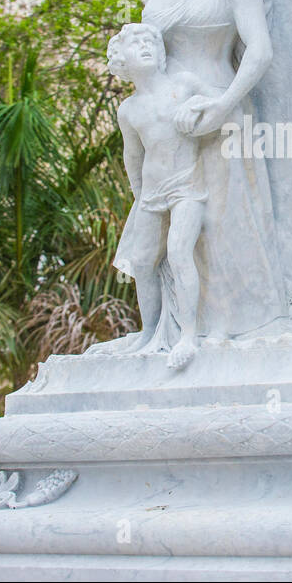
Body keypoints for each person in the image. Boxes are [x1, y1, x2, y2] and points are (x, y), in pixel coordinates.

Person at [131, 0, 286, 341]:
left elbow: (259, 50)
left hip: (219, 108)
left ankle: (230, 325)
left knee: (219, 221)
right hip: (165, 121)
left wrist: (222, 105)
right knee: (167, 231)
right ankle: (173, 329)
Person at [109, 22, 211, 369]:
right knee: (141, 262)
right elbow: (132, 155)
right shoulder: (128, 109)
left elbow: (223, 104)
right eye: (136, 43)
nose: (146, 46)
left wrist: (199, 105)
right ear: (121, 60)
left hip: (187, 186)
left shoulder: (183, 84)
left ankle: (188, 335)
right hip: (151, 193)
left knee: (179, 251)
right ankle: (149, 332)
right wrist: (138, 196)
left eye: (150, 41)